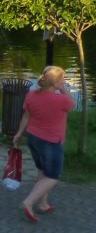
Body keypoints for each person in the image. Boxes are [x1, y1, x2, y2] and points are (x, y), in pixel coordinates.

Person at [12, 65, 75, 223]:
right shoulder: (61, 100)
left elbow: (26, 116)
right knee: (53, 176)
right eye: (62, 79)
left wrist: (19, 133)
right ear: (56, 82)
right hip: (51, 142)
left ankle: (43, 204)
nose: (64, 81)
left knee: (42, 170)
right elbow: (72, 105)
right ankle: (29, 202)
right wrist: (63, 89)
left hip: (33, 138)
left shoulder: (31, 95)